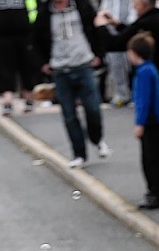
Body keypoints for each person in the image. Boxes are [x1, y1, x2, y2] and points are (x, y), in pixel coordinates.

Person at [97, 0, 159, 189]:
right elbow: (133, 35)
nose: (132, 6)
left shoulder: (148, 27)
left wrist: (101, 27)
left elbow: (117, 43)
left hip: (157, 90)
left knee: (154, 143)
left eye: (136, 3)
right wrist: (118, 25)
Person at [33, 0, 110, 169]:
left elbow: (95, 29)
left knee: (92, 108)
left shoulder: (82, 6)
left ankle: (97, 139)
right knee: (69, 114)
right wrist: (43, 63)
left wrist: (99, 54)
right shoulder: (45, 12)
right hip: (60, 68)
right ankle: (79, 153)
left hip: (83, 63)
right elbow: (36, 38)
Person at [126, 32, 159, 209]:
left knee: (151, 160)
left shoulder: (144, 72)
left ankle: (156, 193)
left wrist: (140, 123)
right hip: (155, 120)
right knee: (153, 159)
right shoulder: (149, 69)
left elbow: (144, 100)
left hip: (151, 122)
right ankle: (156, 191)